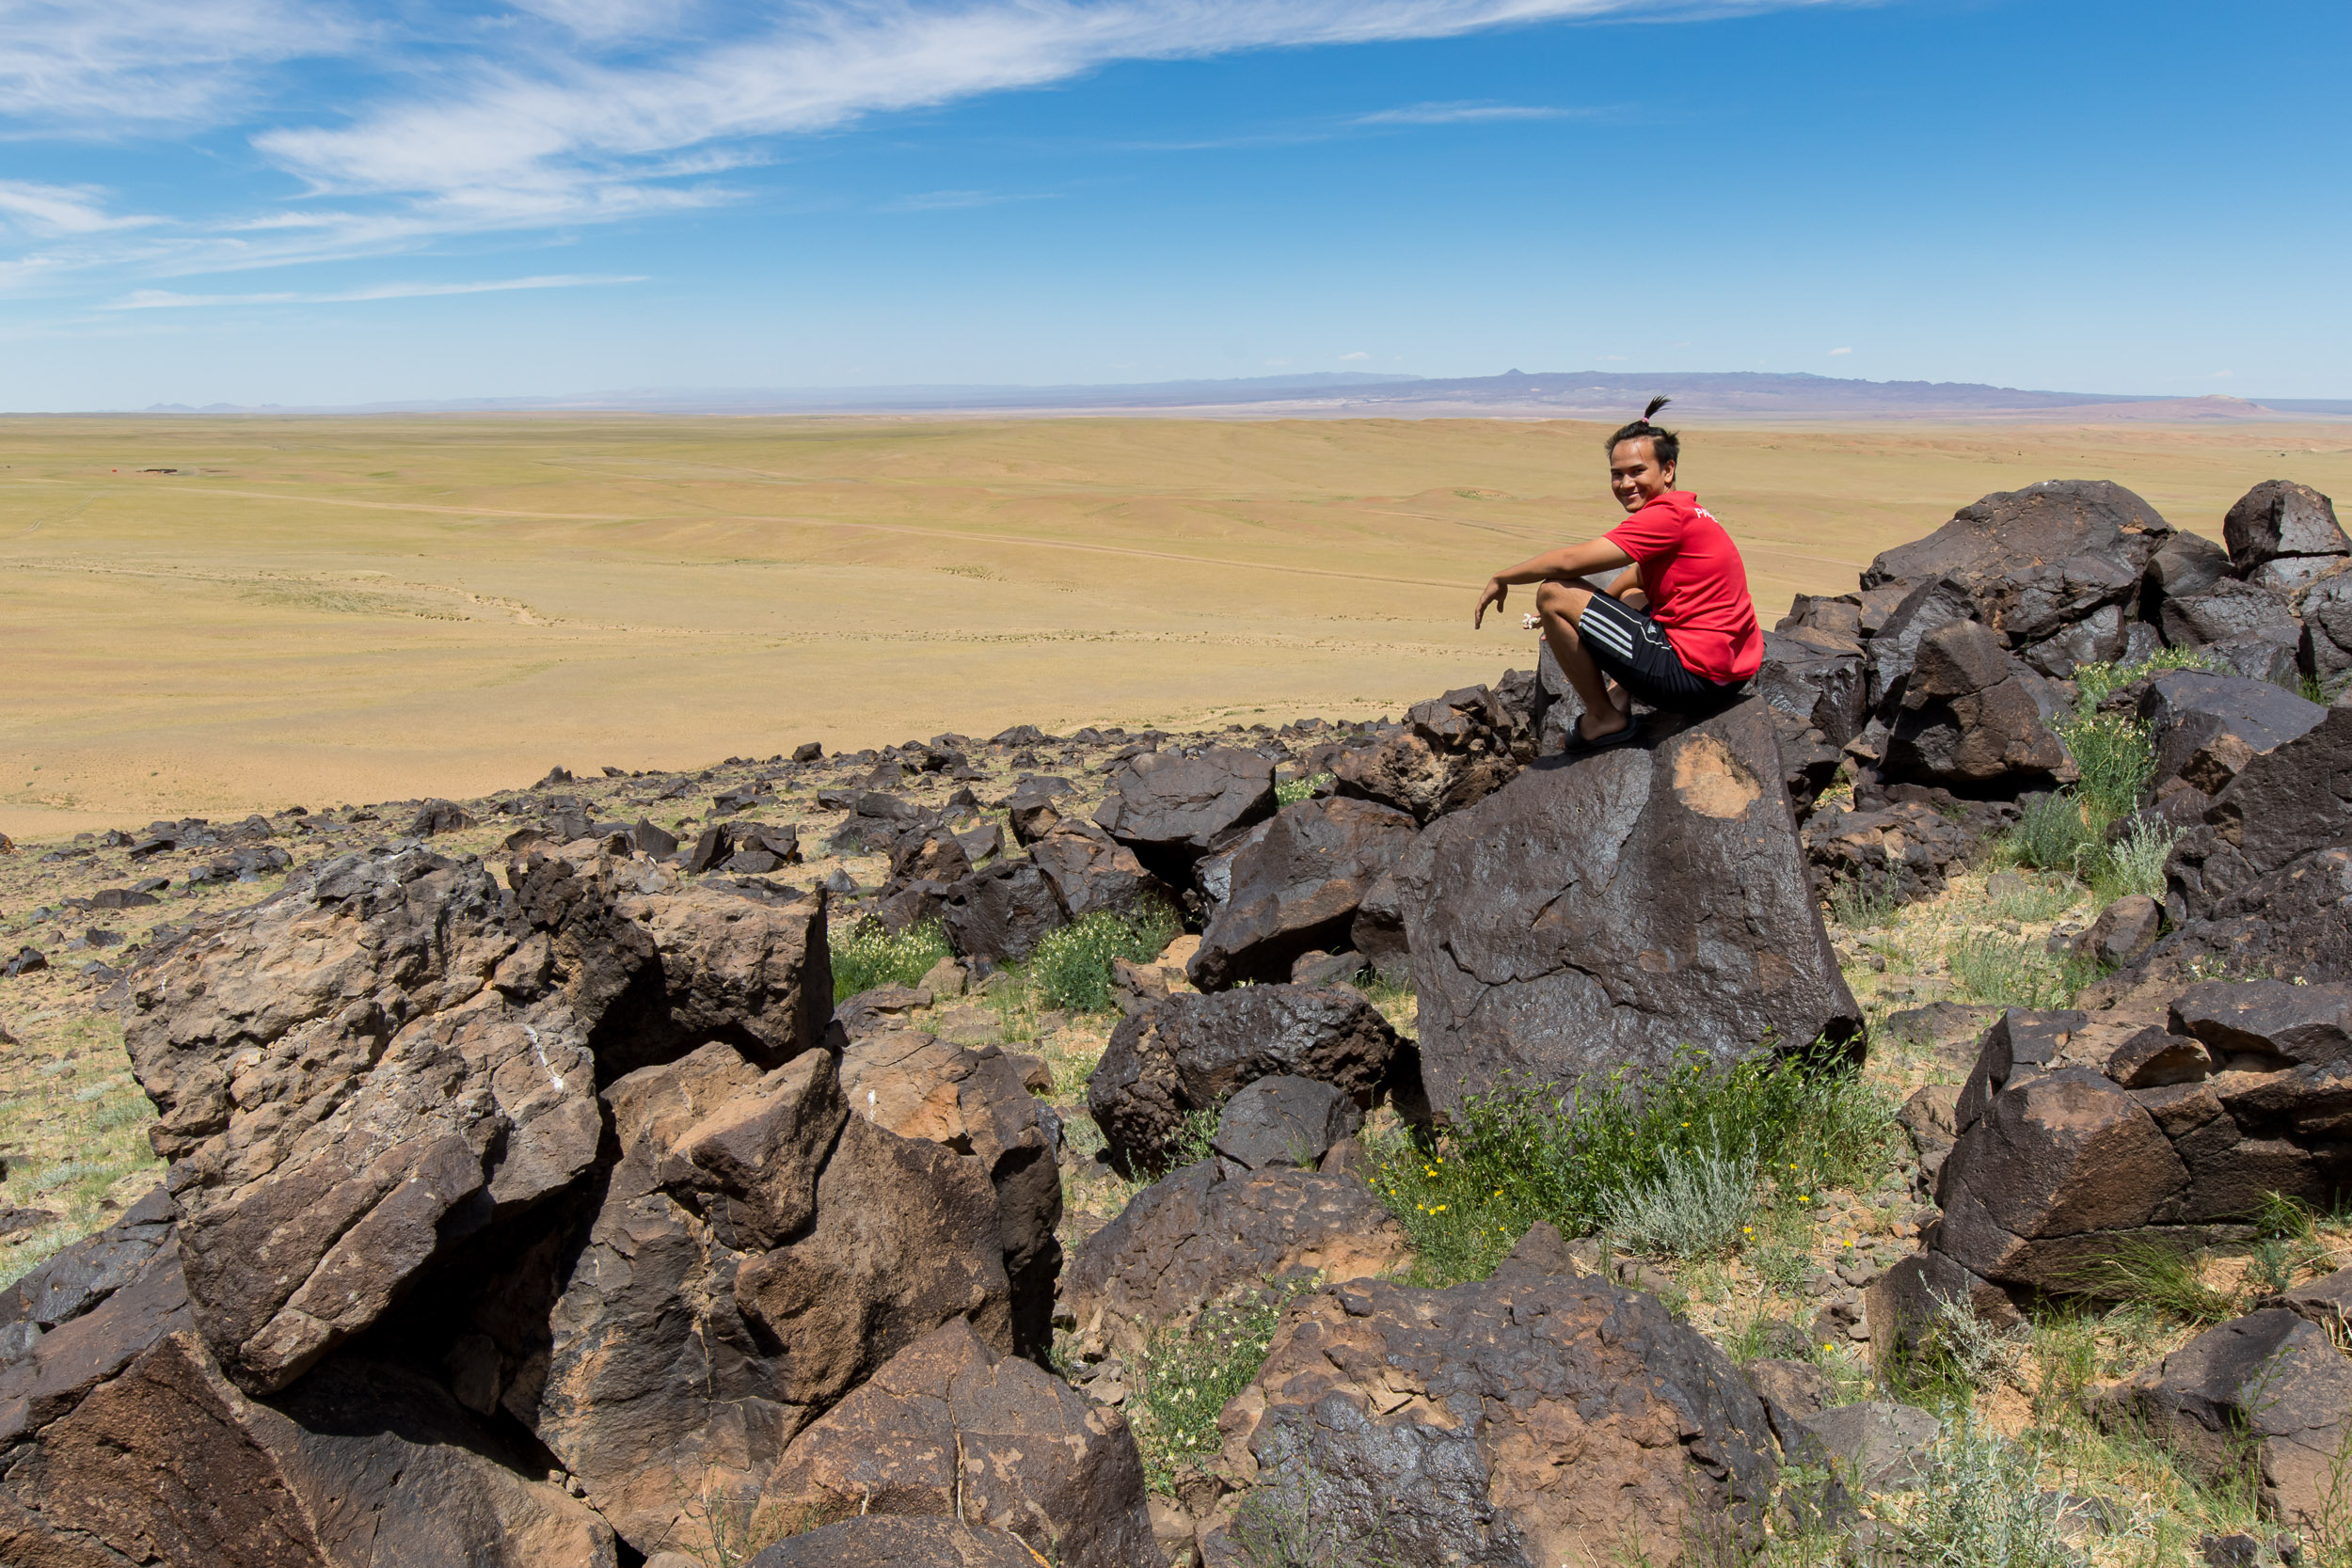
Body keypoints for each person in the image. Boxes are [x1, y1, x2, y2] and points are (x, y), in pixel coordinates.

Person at [1473, 397, 1761, 752]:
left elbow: (1568, 562)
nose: (1625, 484)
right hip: (1730, 673)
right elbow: (1637, 576)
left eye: (1637, 471)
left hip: (1692, 678)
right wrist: (1587, 619)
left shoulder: (1664, 516)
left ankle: (1603, 717)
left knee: (1553, 593)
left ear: (1667, 470)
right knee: (1628, 595)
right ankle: (1620, 692)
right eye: (1617, 474)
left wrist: (1504, 578)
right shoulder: (1688, 510)